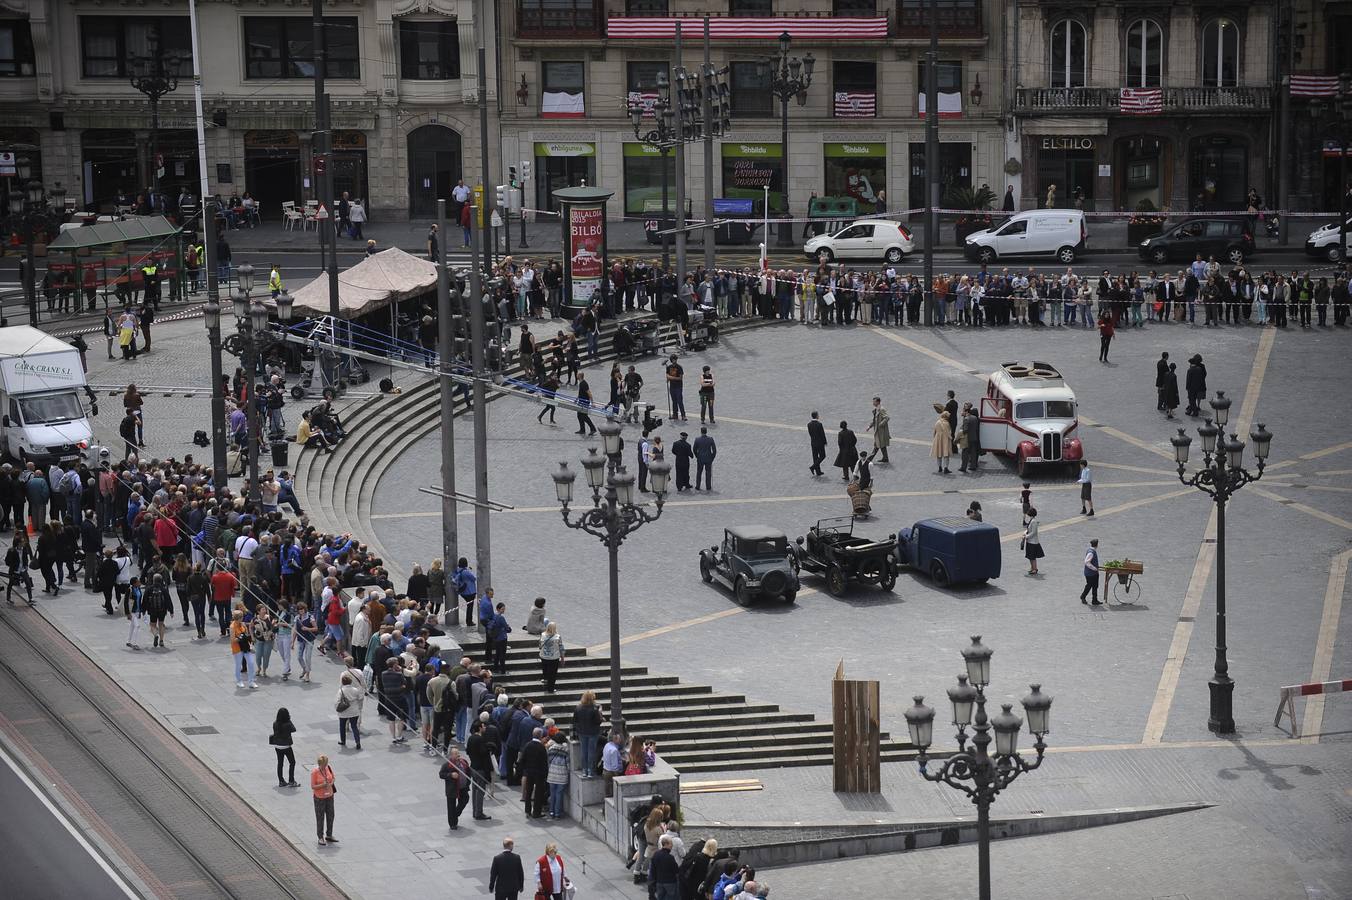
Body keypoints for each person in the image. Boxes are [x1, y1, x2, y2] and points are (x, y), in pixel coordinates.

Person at [439, 746, 471, 830]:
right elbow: (441, 774)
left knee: (465, 799)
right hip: (452, 789)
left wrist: (468, 781)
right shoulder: (447, 765)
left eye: (458, 753)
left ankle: (456, 814)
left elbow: (468, 771)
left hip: (463, 787)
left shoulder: (463, 762)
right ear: (451, 755)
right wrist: (450, 775)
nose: (458, 755)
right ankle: (452, 823)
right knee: (451, 806)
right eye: (456, 753)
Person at [573, 691, 603, 777]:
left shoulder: (578, 708)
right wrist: (600, 713)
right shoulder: (594, 709)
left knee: (584, 751)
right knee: (591, 751)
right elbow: (598, 721)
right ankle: (590, 770)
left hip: (582, 732)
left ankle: (584, 770)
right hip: (593, 732)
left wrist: (579, 729)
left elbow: (575, 721)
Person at [311, 754, 338, 847]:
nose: (326, 765)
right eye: (324, 764)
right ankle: (320, 837)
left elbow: (333, 778)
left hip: (329, 795)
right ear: (320, 764)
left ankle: (329, 835)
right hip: (319, 798)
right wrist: (323, 785)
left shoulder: (328, 768)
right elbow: (313, 786)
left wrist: (331, 783)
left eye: (326, 763)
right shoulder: (315, 772)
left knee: (331, 815)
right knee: (320, 817)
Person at [230, 608, 258, 688]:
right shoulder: (232, 626)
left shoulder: (243, 624)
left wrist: (248, 639)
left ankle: (251, 681)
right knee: (238, 665)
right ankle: (239, 681)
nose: (242, 618)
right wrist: (239, 638)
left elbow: (246, 634)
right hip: (237, 648)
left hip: (246, 647)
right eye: (241, 617)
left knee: (251, 663)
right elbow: (232, 640)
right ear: (237, 618)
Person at [143, 573, 173, 649]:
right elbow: (168, 600)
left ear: (153, 580)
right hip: (162, 610)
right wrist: (171, 610)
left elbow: (145, 600)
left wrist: (143, 610)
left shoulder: (149, 589)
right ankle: (161, 641)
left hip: (152, 610)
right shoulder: (164, 589)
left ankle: (156, 635)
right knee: (161, 624)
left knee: (152, 625)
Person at [271, 707, 299, 787]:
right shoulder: (288, 724)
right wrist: (289, 720)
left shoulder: (275, 723)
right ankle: (291, 781)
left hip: (277, 746)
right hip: (286, 746)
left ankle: (281, 781)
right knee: (292, 762)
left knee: (280, 763)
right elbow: (294, 729)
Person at [336, 672, 364, 749]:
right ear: (350, 681)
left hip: (344, 712)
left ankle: (343, 741)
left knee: (342, 727)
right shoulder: (355, 690)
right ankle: (358, 742)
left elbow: (338, 701)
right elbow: (359, 698)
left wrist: (337, 708)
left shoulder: (341, 691)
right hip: (354, 711)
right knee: (354, 726)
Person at [649, 834, 681, 900]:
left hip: (659, 882)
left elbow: (653, 869)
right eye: (671, 844)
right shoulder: (670, 857)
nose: (672, 846)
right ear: (666, 844)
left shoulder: (656, 854)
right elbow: (676, 870)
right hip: (670, 883)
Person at [539, 622, 564, 693]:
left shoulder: (542, 635)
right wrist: (562, 658)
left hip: (544, 656)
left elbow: (540, 644)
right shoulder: (557, 637)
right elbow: (561, 647)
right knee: (553, 674)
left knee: (545, 669)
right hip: (554, 657)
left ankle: (545, 679)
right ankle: (550, 689)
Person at [865, 397, 891, 463]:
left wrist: (880, 424)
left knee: (877, 445)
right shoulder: (876, 410)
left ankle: (869, 459)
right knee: (882, 445)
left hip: (881, 432)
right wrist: (869, 426)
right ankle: (885, 458)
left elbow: (887, 417)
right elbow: (874, 421)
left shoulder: (881, 409)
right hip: (878, 431)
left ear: (878, 402)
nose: (873, 403)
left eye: (874, 402)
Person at [693, 427, 716, 491]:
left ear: (701, 432)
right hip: (708, 458)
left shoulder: (697, 439)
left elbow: (694, 449)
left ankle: (698, 486)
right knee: (708, 472)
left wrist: (697, 456)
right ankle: (708, 486)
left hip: (700, 458)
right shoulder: (710, 439)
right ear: (706, 432)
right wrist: (712, 458)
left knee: (699, 472)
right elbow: (714, 450)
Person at [1081, 538, 1102, 605]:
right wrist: (1094, 568)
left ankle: (1094, 600)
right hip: (1091, 573)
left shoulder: (1090, 550)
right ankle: (1083, 596)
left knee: (1095, 586)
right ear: (1097, 545)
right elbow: (1087, 562)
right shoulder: (1091, 552)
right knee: (1089, 585)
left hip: (1092, 573)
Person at [665, 355, 686, 422]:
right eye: (673, 359)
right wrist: (668, 379)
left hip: (678, 386)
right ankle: (675, 415)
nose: (675, 360)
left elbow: (680, 378)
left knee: (680, 401)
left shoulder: (679, 367)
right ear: (671, 360)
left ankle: (683, 415)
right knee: (674, 401)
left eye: (675, 359)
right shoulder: (668, 367)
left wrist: (671, 377)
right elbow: (667, 376)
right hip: (672, 386)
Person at [807, 411, 828, 476]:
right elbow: (822, 434)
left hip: (813, 442)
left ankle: (818, 471)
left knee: (815, 457)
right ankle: (813, 467)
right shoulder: (819, 424)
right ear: (816, 416)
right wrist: (825, 442)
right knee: (822, 456)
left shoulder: (809, 424)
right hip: (820, 443)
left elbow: (810, 434)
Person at [1024, 507, 1043, 576]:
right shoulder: (1031, 520)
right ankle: (1032, 568)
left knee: (1032, 556)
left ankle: (1034, 569)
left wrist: (1026, 536)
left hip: (1033, 542)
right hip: (1030, 541)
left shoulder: (1034, 521)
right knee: (1030, 556)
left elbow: (1034, 532)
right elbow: (1029, 530)